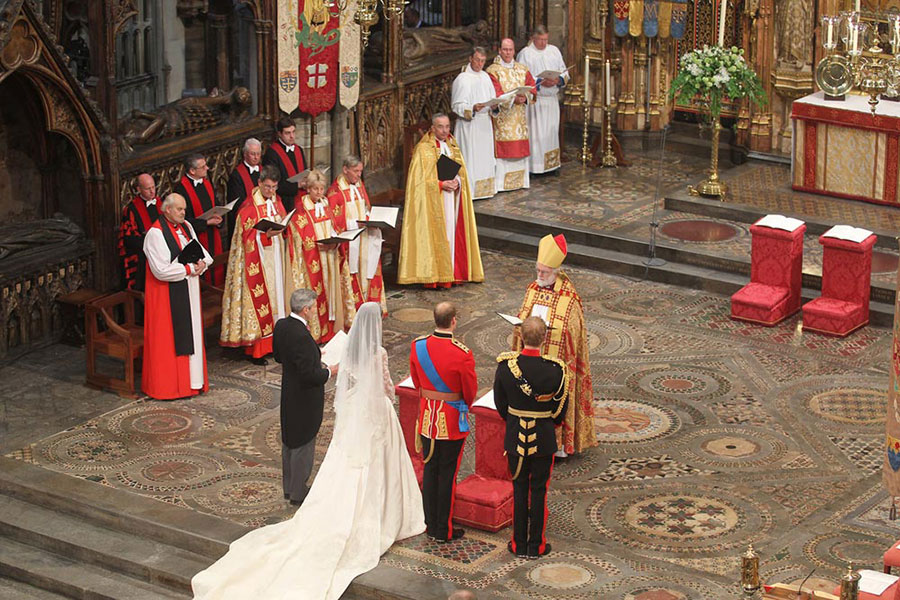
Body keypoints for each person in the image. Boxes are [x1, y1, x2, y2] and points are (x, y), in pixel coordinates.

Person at [191, 301, 425, 600]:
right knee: (379, 464)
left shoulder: (351, 348)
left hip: (354, 411)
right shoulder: (377, 353)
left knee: (344, 463)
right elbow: (387, 387)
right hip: (375, 411)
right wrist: (388, 397)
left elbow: (345, 379)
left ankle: (312, 494)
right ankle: (381, 513)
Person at [514, 234, 596, 457]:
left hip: (557, 363)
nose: (539, 276)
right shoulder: (533, 288)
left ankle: (559, 446)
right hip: (532, 357)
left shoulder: (569, 297)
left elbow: (573, 331)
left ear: (556, 271)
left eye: (544, 272)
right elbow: (523, 313)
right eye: (538, 271)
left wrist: (550, 331)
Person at [495, 317, 567, 559]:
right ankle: (535, 545)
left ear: (521, 336)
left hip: (515, 436)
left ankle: (518, 544)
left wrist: (515, 419)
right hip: (544, 438)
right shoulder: (556, 369)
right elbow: (559, 411)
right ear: (545, 338)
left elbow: (500, 404)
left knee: (518, 488)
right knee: (538, 491)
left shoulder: (506, 366)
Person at [409, 301, 477, 543]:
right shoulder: (463, 354)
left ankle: (429, 523)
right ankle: (442, 528)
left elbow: (417, 384)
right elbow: (469, 392)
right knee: (447, 473)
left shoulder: (418, 347)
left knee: (430, 469)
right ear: (454, 321)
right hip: (450, 421)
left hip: (427, 418)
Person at [220, 166, 301, 361]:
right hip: (258, 265)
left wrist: (284, 229)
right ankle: (256, 349)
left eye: (274, 187)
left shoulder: (277, 202)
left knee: (278, 301)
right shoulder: (248, 209)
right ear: (259, 183)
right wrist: (264, 236)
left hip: (277, 260)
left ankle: (277, 343)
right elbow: (245, 241)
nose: (271, 191)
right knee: (263, 304)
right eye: (267, 187)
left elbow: (283, 223)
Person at [397, 113, 484, 288]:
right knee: (439, 236)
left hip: (452, 198)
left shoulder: (453, 146)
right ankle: (436, 277)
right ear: (432, 128)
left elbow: (462, 174)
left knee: (452, 234)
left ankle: (452, 273)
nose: (444, 131)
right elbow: (418, 183)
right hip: (433, 202)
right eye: (440, 127)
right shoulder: (424, 149)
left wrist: (457, 183)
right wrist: (440, 184)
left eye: (447, 127)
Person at [142, 193, 213, 400]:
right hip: (166, 295)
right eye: (179, 209)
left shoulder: (186, 227)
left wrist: (201, 264)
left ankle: (193, 383)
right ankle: (170, 387)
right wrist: (190, 268)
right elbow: (161, 270)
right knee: (170, 339)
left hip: (189, 289)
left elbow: (204, 254)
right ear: (167, 210)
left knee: (192, 335)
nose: (184, 213)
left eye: (184, 209)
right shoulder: (155, 234)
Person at [288, 169, 356, 343]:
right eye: (315, 189)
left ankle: (332, 327)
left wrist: (336, 240)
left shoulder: (326, 205)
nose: (319, 193)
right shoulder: (301, 211)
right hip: (314, 262)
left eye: (321, 189)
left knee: (331, 294)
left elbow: (333, 227)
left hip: (330, 258)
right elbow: (298, 239)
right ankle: (317, 330)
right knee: (318, 294)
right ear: (308, 189)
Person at [327, 155, 386, 314]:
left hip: (365, 237)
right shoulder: (335, 191)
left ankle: (370, 306)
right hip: (349, 242)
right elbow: (334, 220)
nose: (359, 175)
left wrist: (370, 220)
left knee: (368, 269)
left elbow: (367, 207)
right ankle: (354, 310)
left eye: (360, 171)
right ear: (345, 170)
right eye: (355, 171)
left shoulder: (359, 185)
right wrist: (354, 224)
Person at [485, 38, 537, 193]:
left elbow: (533, 89)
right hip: (503, 120)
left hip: (519, 119)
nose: (508, 53)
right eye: (505, 50)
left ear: (514, 51)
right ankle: (501, 184)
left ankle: (520, 182)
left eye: (510, 50)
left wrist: (525, 98)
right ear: (499, 50)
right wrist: (513, 99)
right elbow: (495, 92)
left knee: (520, 151)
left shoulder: (523, 69)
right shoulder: (493, 71)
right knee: (504, 153)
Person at [516, 26, 568, 175]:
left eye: (546, 39)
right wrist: (540, 81)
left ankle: (551, 166)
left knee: (550, 133)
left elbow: (564, 71)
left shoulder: (554, 51)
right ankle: (536, 168)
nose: (544, 43)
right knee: (536, 135)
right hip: (535, 101)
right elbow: (522, 77)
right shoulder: (525, 54)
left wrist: (558, 79)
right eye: (540, 40)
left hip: (551, 99)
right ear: (533, 38)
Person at [451, 47, 498, 200]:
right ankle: (470, 192)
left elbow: (492, 98)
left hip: (484, 123)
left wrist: (494, 106)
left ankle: (485, 191)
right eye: (477, 60)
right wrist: (472, 108)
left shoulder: (485, 77)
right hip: (469, 125)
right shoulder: (462, 79)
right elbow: (456, 105)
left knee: (485, 158)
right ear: (471, 58)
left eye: (483, 61)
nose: (480, 64)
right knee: (471, 159)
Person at [175, 153, 225, 286]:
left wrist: (220, 217)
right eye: (203, 167)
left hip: (213, 235)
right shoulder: (181, 189)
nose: (207, 168)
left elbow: (217, 204)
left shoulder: (207, 183)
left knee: (216, 271)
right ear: (192, 170)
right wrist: (206, 223)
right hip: (195, 239)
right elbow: (181, 219)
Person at [118, 173, 160, 291]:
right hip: (144, 256)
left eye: (153, 187)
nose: (152, 192)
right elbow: (128, 239)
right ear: (139, 189)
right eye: (148, 189)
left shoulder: (161, 204)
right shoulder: (131, 209)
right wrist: (149, 240)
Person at [262, 116, 307, 212]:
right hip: (284, 202)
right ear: (279, 134)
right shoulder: (272, 153)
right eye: (287, 133)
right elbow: (273, 184)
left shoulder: (298, 149)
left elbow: (305, 172)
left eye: (293, 132)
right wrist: (297, 186)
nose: (292, 136)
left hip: (302, 199)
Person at [225, 138, 262, 236]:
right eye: (253, 154)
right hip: (246, 219)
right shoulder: (237, 175)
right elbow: (237, 203)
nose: (256, 157)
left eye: (258, 154)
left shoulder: (263, 171)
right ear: (245, 154)